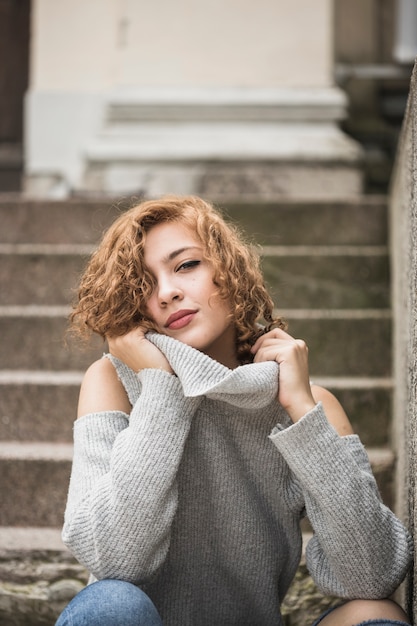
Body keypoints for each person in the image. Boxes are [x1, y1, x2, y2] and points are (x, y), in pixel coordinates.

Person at [56, 195, 412, 626]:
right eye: (143, 284)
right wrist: (162, 389)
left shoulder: (304, 403)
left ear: (229, 271)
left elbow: (372, 574)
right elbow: (114, 558)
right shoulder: (115, 382)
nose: (167, 292)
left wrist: (299, 406)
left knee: (376, 612)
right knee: (111, 604)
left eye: (186, 265)